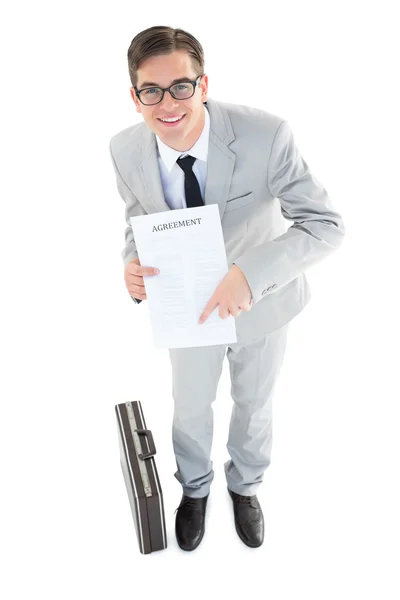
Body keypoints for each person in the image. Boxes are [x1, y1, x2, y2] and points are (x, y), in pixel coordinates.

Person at [109, 25, 345, 551]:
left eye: (181, 87)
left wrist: (251, 274)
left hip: (263, 303)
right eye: (151, 90)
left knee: (253, 403)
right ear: (134, 95)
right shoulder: (124, 149)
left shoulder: (266, 134)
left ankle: (246, 486)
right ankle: (194, 491)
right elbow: (137, 219)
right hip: (184, 306)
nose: (167, 104)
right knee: (189, 407)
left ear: (204, 84)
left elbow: (325, 224)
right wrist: (132, 262)